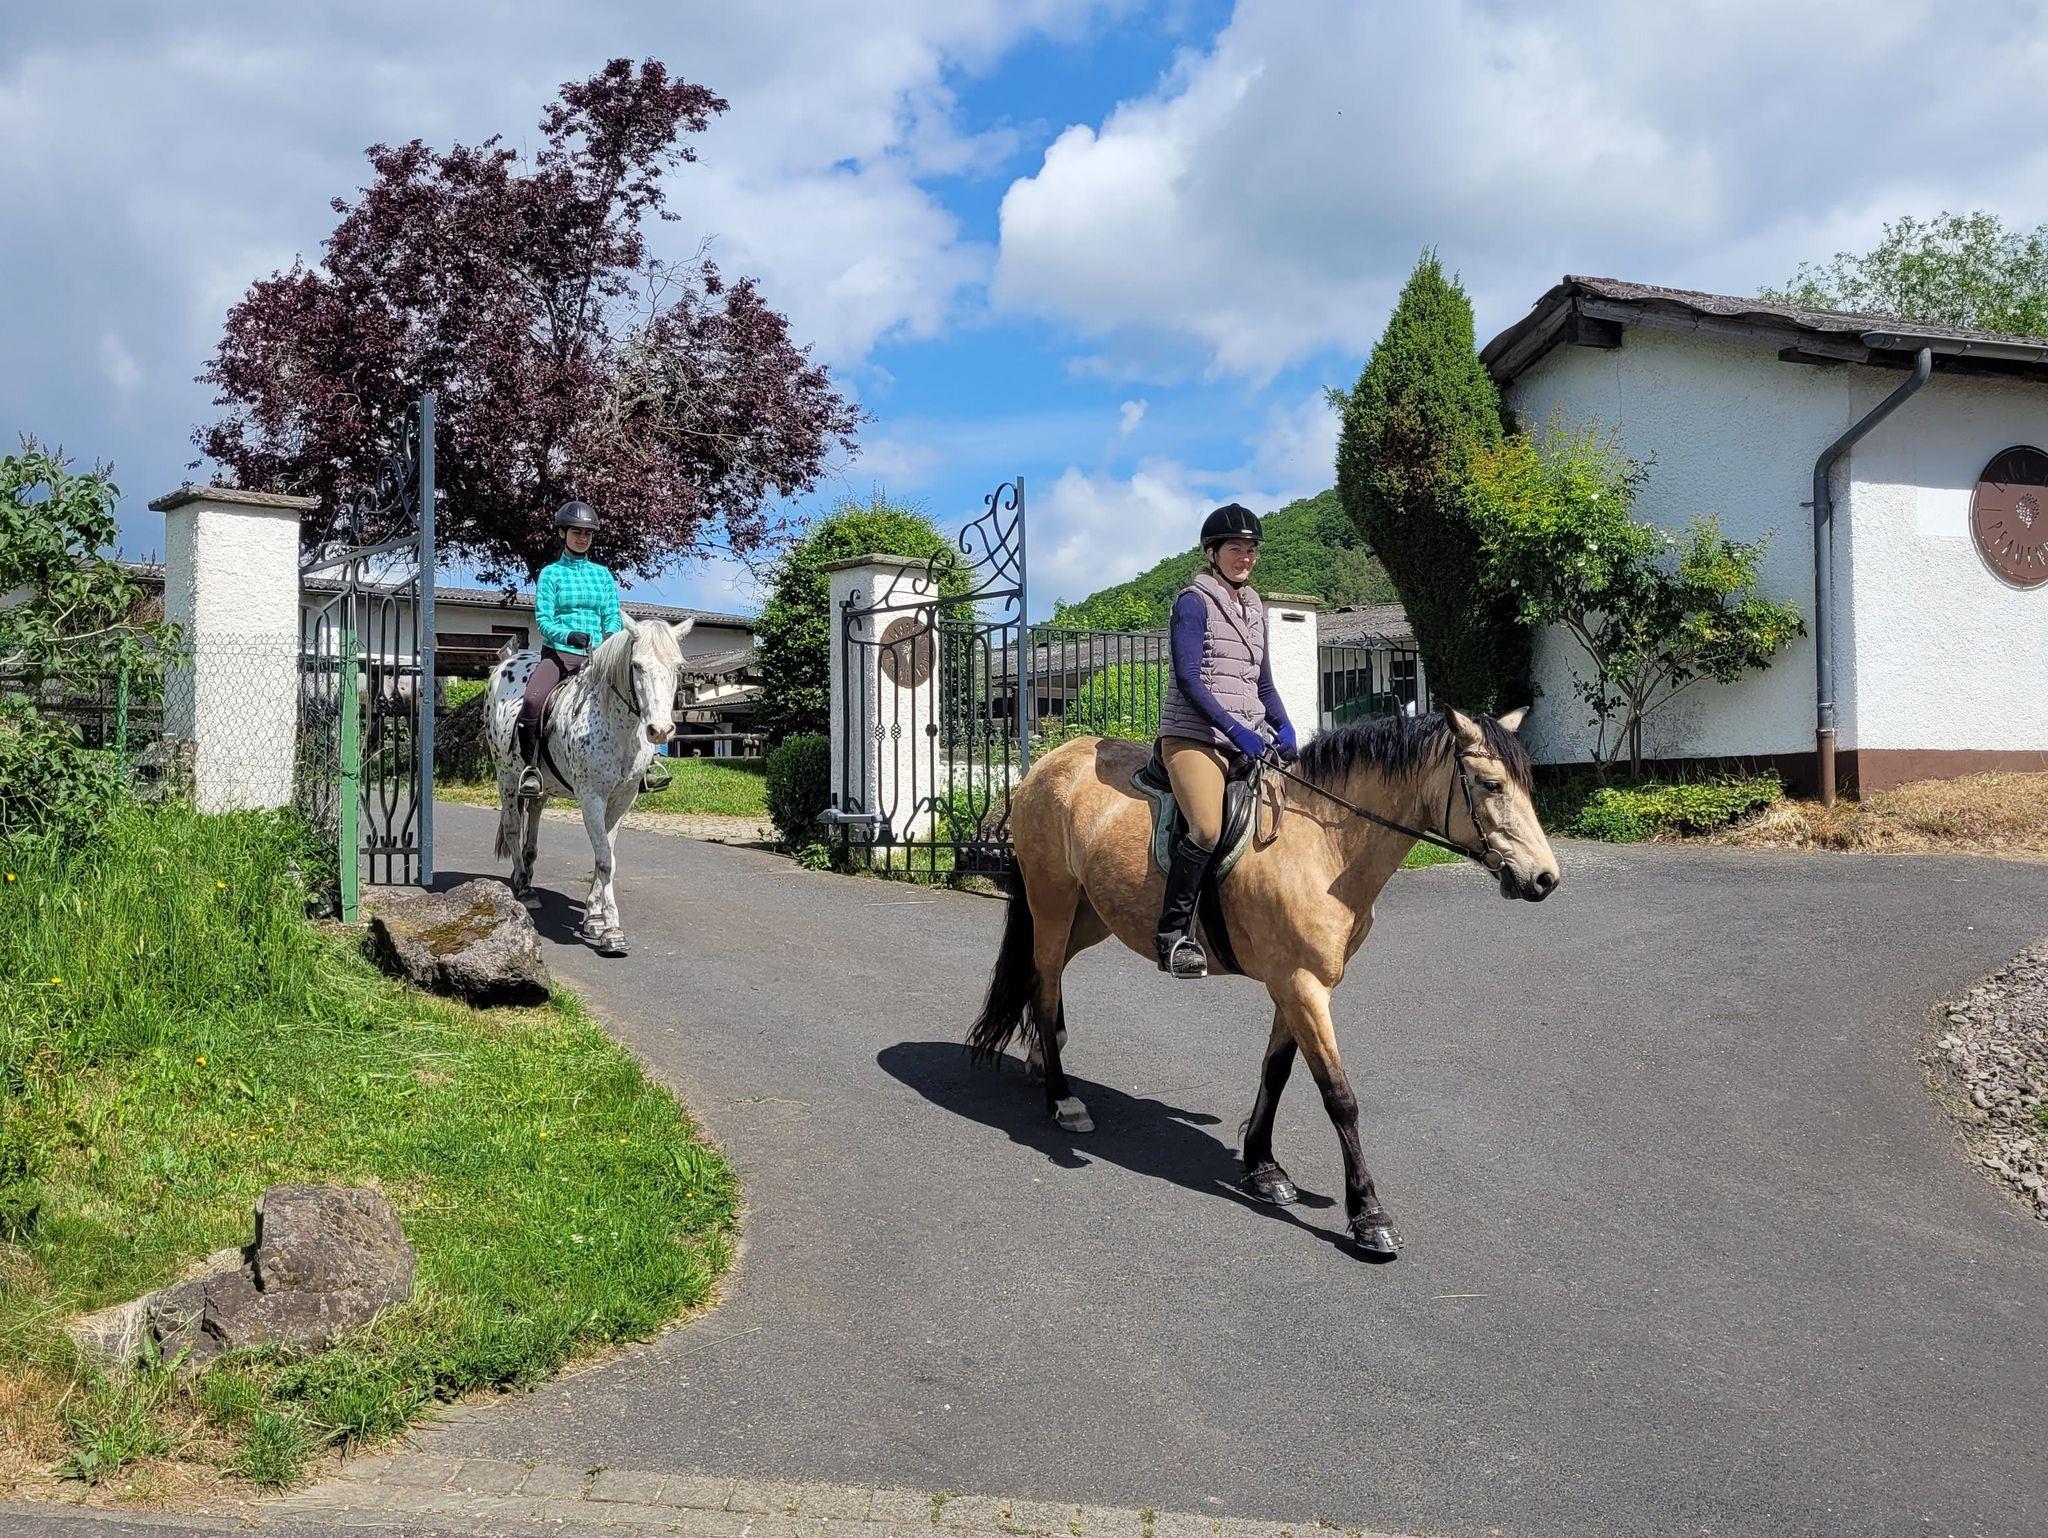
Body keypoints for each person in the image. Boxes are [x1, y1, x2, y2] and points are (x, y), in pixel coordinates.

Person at [1152, 503, 1296, 978]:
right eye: (1236, 548)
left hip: (1245, 737)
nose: (1245, 557)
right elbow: (1190, 680)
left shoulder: (1254, 608)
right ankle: (1173, 935)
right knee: (1207, 829)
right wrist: (1235, 731)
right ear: (1212, 552)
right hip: (1194, 737)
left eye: (1251, 549)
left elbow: (1263, 685)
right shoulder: (1193, 602)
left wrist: (1284, 725)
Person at [516, 500, 624, 797]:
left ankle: (644, 765)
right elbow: (544, 621)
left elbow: (612, 615)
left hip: (599, 656)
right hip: (560, 654)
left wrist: (611, 638)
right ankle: (531, 769)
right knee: (532, 702)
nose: (582, 538)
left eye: (588, 533)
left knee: (635, 693)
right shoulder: (550, 574)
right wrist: (568, 635)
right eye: (577, 532)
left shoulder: (602, 575)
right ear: (562, 533)